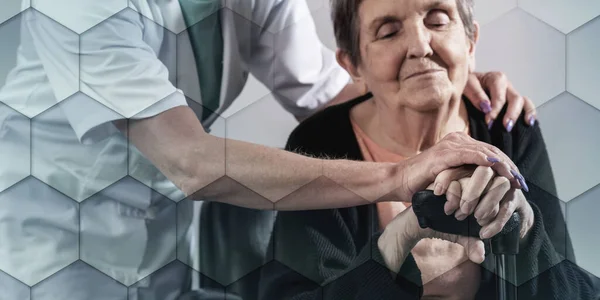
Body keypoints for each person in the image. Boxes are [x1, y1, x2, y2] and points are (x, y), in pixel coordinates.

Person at [0, 0, 535, 298]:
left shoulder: (510, 132)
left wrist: (437, 77)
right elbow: (189, 160)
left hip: (160, 249)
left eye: (437, 19)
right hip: (47, 247)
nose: (418, 38)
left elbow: (334, 95)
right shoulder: (77, 7)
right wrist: (401, 176)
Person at [259, 0, 600, 299]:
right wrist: (390, 254)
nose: (420, 45)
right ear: (352, 65)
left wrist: (525, 235)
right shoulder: (320, 144)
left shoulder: (508, 127)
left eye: (437, 20)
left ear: (470, 40)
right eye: (388, 31)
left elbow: (574, 291)